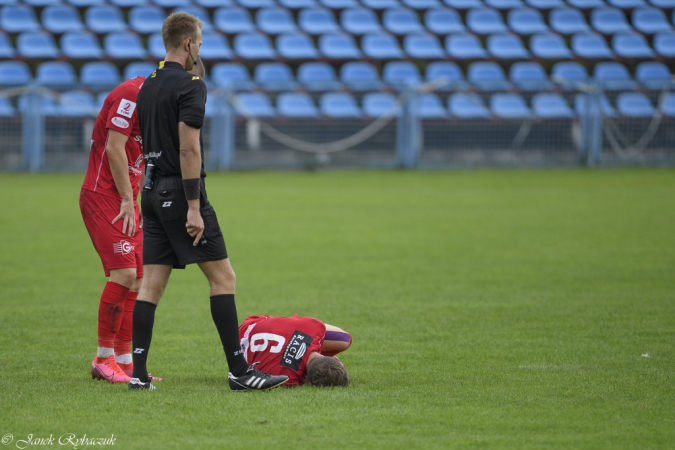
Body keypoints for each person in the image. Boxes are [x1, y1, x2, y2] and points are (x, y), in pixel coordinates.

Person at [129, 12, 288, 391]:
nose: (199, 47)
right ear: (189, 44)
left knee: (150, 284)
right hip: (178, 194)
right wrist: (194, 206)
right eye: (199, 41)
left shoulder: (146, 84)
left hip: (149, 194)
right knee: (223, 278)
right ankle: (240, 372)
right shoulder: (191, 85)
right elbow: (188, 148)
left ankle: (138, 375)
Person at [80, 72, 146, 384]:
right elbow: (113, 148)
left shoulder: (161, 102)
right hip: (105, 196)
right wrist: (125, 198)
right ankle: (102, 358)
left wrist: (136, 199)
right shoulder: (131, 94)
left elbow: (143, 158)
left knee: (136, 281)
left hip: (127, 199)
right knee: (125, 274)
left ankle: (123, 361)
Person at [239, 315, 352, 387]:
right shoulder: (288, 379)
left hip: (249, 326)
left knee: (344, 341)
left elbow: (347, 338)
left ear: (335, 359)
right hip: (238, 350)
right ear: (309, 381)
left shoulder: (312, 327)